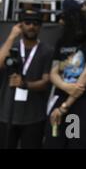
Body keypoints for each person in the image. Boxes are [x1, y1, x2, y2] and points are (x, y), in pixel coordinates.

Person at [43, 0, 86, 149]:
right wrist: (66, 86)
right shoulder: (62, 41)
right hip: (60, 99)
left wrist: (64, 107)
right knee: (54, 142)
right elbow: (53, 73)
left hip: (80, 103)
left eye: (64, 17)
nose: (61, 22)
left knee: (77, 143)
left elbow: (85, 78)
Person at [0, 10, 53, 149]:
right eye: (27, 22)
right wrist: (11, 36)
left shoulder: (46, 51)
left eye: (35, 23)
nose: (31, 26)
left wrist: (25, 84)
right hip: (7, 114)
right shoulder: (12, 47)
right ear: (20, 25)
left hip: (34, 117)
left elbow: (46, 82)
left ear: (40, 27)